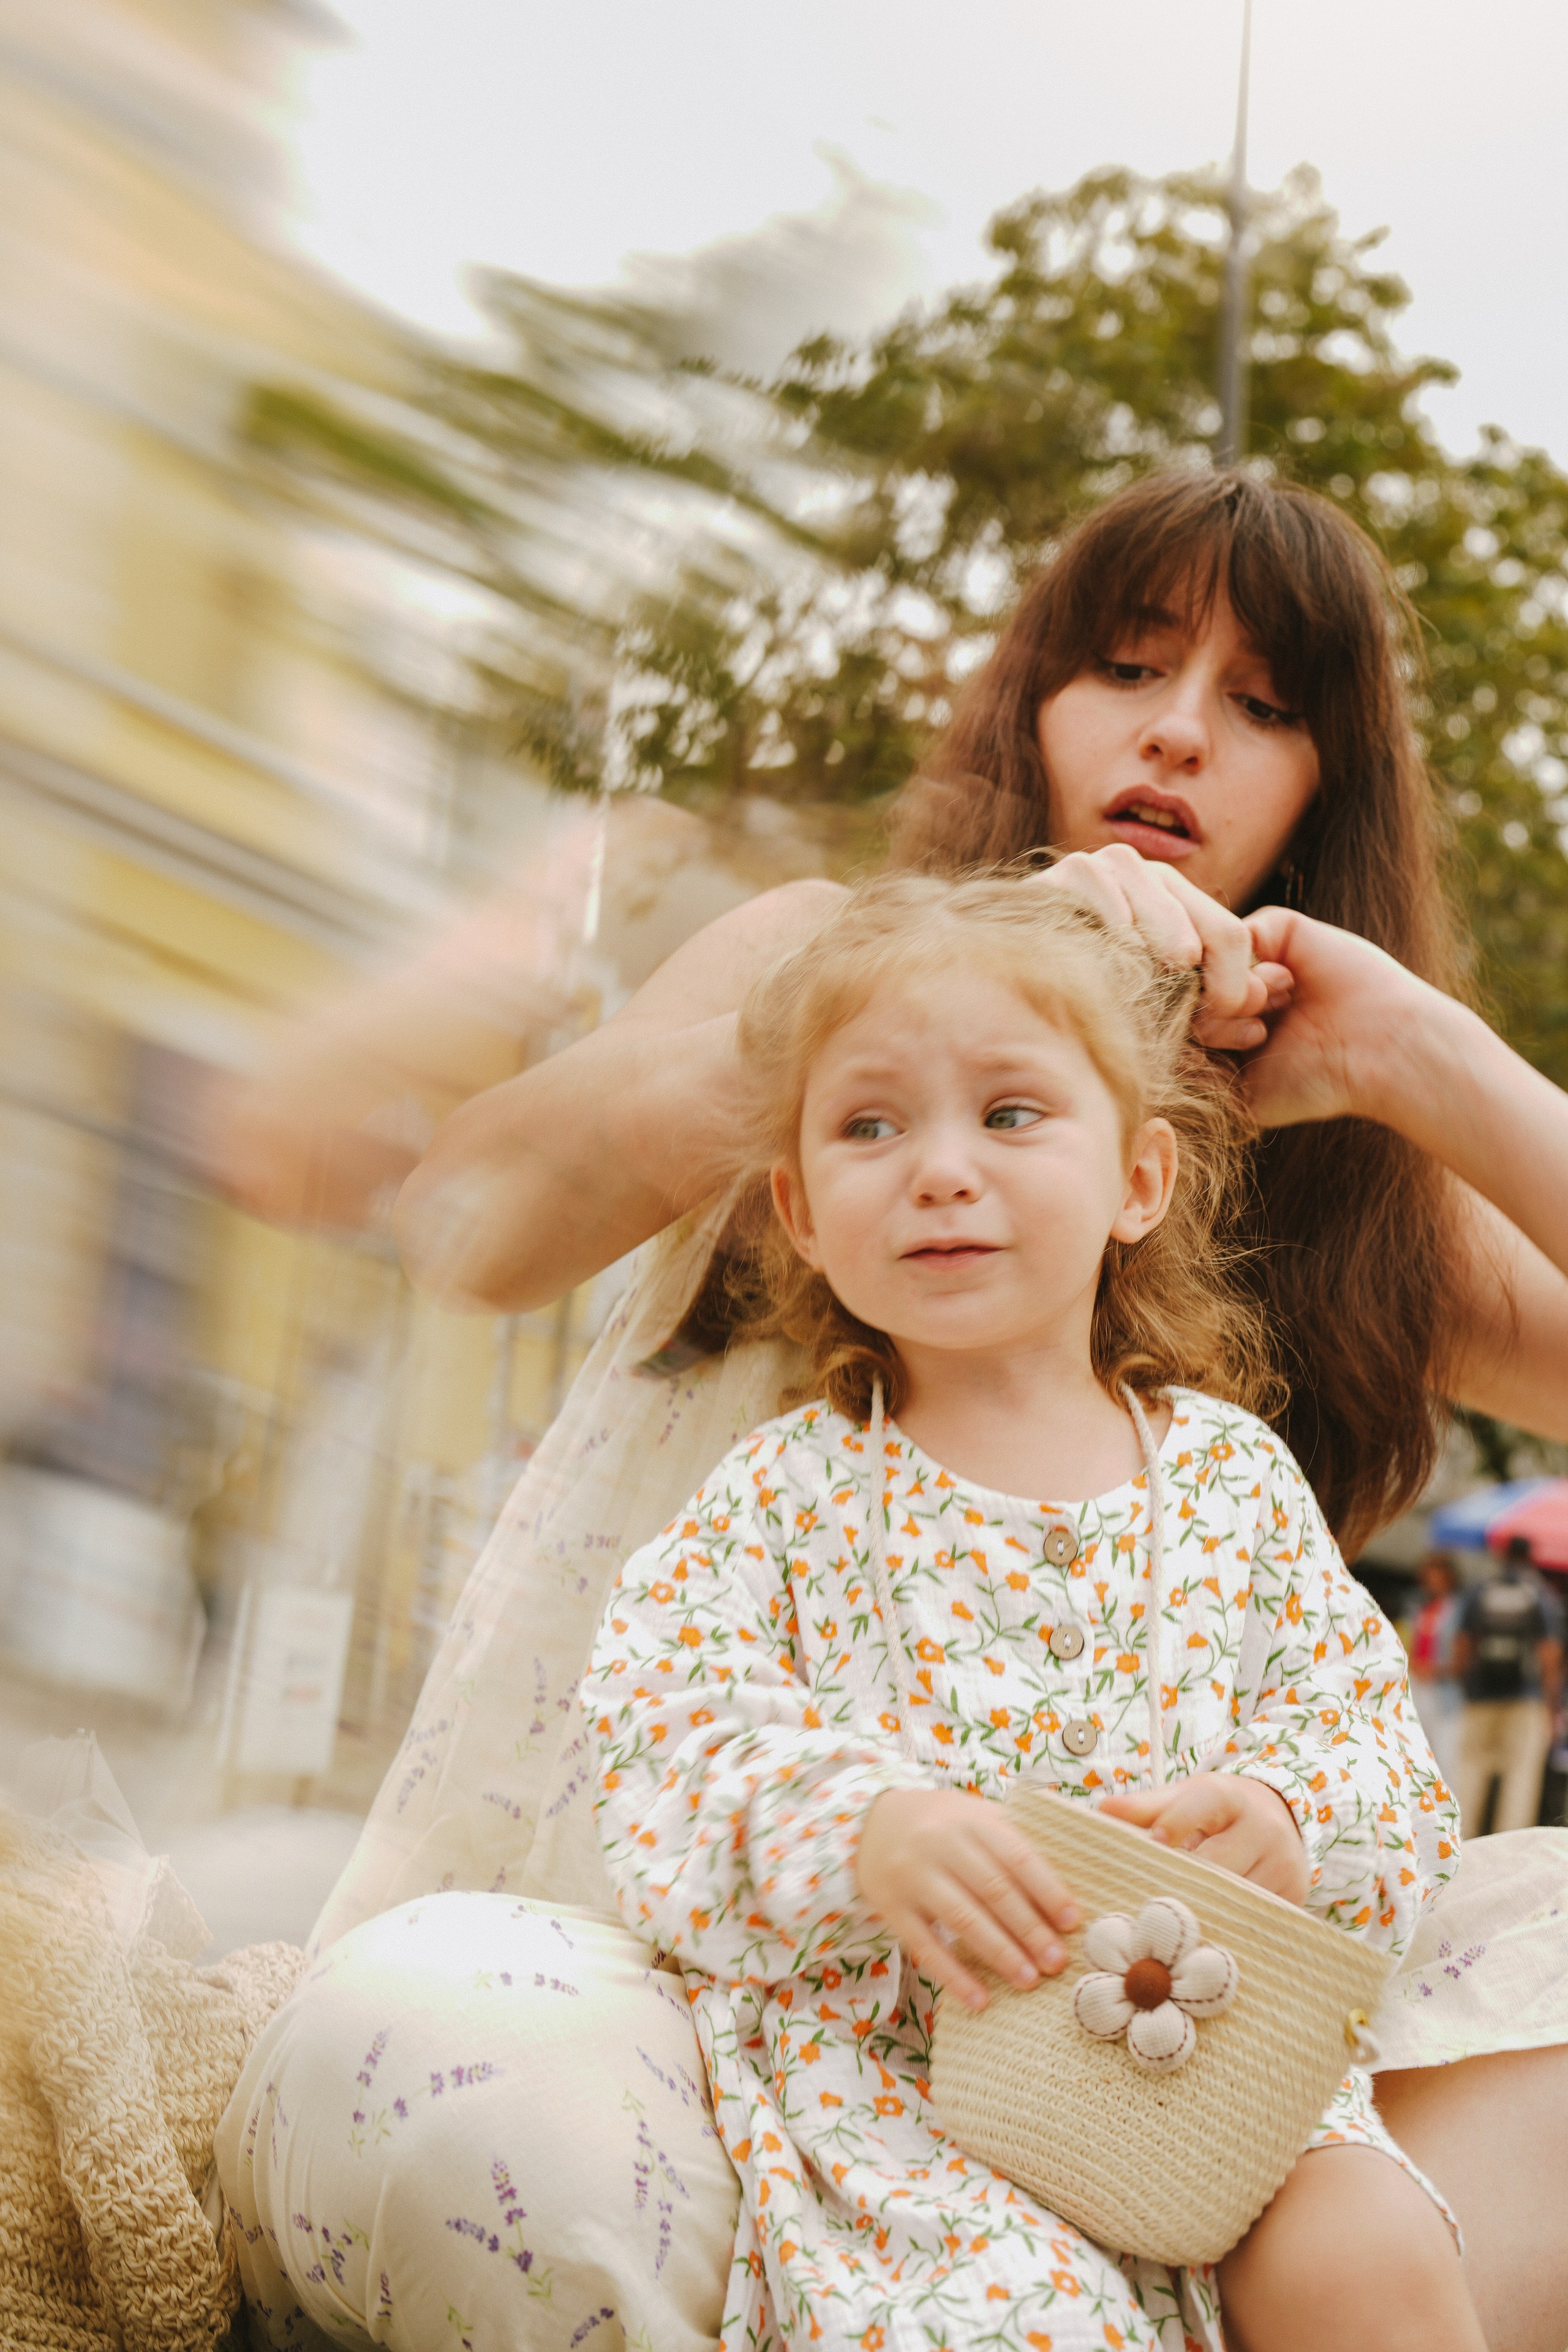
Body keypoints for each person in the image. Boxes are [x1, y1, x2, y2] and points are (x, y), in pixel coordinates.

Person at [217, 470, 1568, 2352]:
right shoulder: (809, 972)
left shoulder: (1334, 1182)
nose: (1181, 728)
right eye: (1127, 664)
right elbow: (470, 1221)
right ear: (1033, 703)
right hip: (710, 1989)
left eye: (1265, 706)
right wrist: (909, 1022)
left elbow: (1354, 1752)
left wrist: (1416, 1054)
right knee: (438, 2067)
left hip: (1159, 2055)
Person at [589, 875, 1474, 2352]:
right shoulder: (792, 1491)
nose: (937, 1170)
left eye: (1008, 1114)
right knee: (1021, 2324)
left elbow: (1367, 1733)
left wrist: (1284, 1808)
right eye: (870, 1124)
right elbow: (662, 1725)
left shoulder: (1228, 1481)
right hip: (913, 2098)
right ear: (801, 1212)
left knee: (1373, 2258)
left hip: (1207, 2066)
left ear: (1137, 1178)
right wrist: (865, 1825)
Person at [1452, 1536, 1564, 1836]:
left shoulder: (1479, 1589)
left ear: (1503, 1555)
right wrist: (1551, 1705)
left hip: (1481, 1696)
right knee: (1520, 1780)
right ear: (1531, 1557)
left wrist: (1466, 1685)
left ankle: (1461, 1840)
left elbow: (1463, 1643)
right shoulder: (1540, 1594)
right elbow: (1549, 1652)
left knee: (1471, 1772)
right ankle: (1507, 1847)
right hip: (1525, 1700)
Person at [1407, 1553, 1464, 1788]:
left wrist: (1438, 1670)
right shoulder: (1419, 1609)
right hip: (1418, 1687)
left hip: (1444, 1694)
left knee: (1445, 1758)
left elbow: (1462, 1656)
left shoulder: (1458, 1612)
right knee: (1414, 1752)